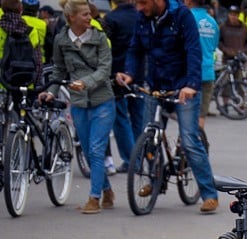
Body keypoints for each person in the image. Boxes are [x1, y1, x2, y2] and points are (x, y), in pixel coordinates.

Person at [117, 0, 219, 213]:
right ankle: (154, 181)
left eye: (143, 3)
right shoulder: (143, 18)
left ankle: (209, 194)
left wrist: (191, 85)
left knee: (190, 140)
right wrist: (130, 72)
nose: (139, 8)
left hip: (183, 86)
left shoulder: (182, 16)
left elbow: (193, 50)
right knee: (148, 137)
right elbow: (135, 49)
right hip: (156, 85)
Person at [41, 0, 114, 213]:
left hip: (103, 101)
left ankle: (94, 198)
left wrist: (85, 82)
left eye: (89, 14)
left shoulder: (100, 38)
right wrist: (50, 92)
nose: (90, 17)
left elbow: (104, 70)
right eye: (84, 15)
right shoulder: (61, 40)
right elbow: (58, 71)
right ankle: (107, 190)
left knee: (96, 149)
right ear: (71, 17)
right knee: (89, 154)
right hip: (79, 103)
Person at [104, 0, 143, 169]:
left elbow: (105, 49)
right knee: (138, 118)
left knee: (120, 118)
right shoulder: (141, 16)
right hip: (140, 73)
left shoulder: (111, 18)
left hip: (117, 73)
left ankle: (131, 160)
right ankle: (142, 155)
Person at [187, 0, 218, 127]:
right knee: (200, 117)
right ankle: (199, 141)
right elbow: (214, 46)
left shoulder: (187, 18)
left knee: (186, 117)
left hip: (189, 73)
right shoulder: (213, 22)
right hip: (208, 72)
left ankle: (185, 143)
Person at [0, 0, 43, 90]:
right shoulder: (31, 31)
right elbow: (38, 61)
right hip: (24, 83)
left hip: (2, 81)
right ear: (21, 10)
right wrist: (34, 83)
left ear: (3, 9)